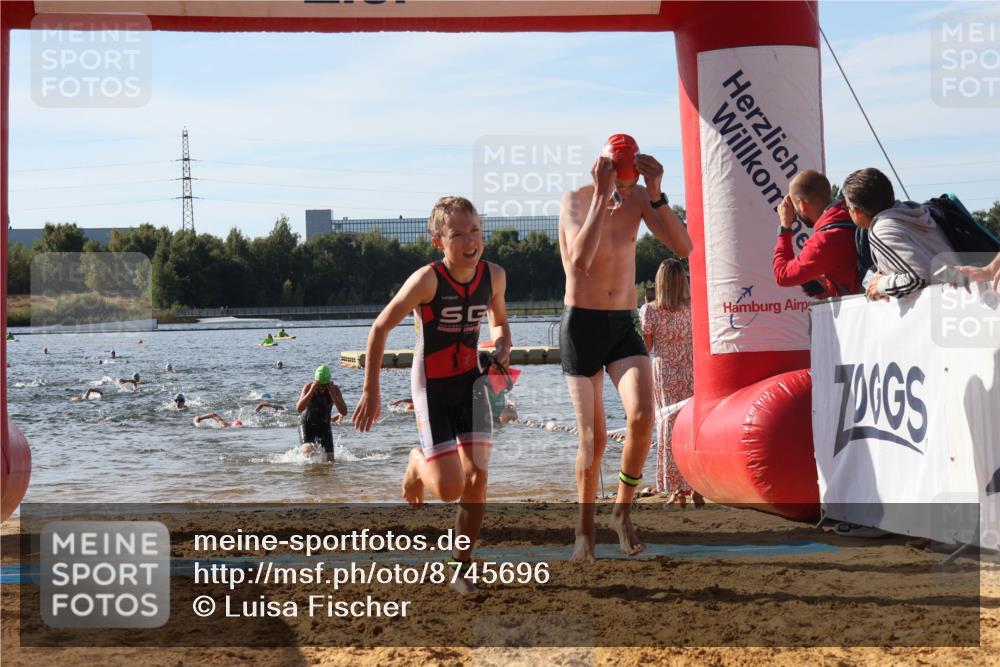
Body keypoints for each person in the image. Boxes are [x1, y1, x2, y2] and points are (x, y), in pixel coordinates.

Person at [353, 196, 511, 593]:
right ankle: (415, 464)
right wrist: (372, 389)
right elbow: (379, 330)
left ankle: (458, 565)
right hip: (432, 387)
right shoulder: (427, 279)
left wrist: (503, 346)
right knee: (450, 489)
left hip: (472, 384)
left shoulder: (495, 276)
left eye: (475, 230)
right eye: (457, 234)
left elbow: (500, 324)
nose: (470, 240)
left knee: (478, 479)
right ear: (439, 241)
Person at [559, 133, 692, 560]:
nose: (622, 182)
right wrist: (602, 197)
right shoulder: (577, 200)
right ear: (600, 168)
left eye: (627, 173)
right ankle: (583, 530)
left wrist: (655, 195)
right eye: (615, 172)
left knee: (642, 415)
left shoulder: (638, 198)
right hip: (581, 323)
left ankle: (621, 511)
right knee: (593, 438)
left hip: (622, 322)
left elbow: (683, 246)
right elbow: (580, 260)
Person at [841, 168, 958, 301]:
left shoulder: (882, 231)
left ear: (857, 211)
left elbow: (920, 276)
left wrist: (881, 285)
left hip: (942, 305)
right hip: (961, 298)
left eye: (847, 207)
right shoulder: (912, 213)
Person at [640, 259, 699, 507]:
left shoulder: (650, 311)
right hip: (692, 368)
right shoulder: (693, 307)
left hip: (665, 372)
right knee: (693, 425)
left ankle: (676, 489)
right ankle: (697, 485)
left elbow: (648, 347)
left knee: (669, 427)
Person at [772, 170, 860, 298]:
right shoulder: (853, 216)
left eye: (795, 208)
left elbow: (782, 275)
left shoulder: (824, 240)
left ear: (802, 204)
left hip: (864, 313)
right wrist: (826, 289)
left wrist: (785, 227)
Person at [297, 365, 348, 461]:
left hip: (324, 426)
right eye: (319, 385)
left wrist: (333, 395)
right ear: (315, 381)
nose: (322, 388)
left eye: (324, 386)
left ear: (329, 382)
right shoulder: (308, 387)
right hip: (307, 425)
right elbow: (299, 409)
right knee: (309, 451)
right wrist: (311, 390)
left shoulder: (335, 390)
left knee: (330, 462)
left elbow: (344, 412)